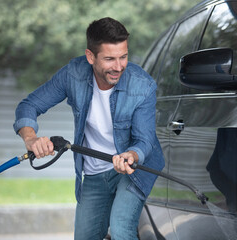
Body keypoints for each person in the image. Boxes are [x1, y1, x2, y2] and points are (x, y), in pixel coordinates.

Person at [13, 17, 165, 240]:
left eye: (124, 57)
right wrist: (31, 139)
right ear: (90, 56)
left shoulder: (142, 86)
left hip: (134, 169)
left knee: (122, 227)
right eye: (110, 59)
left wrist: (130, 155)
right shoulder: (72, 74)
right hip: (94, 170)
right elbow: (29, 105)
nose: (119, 66)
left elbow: (144, 141)